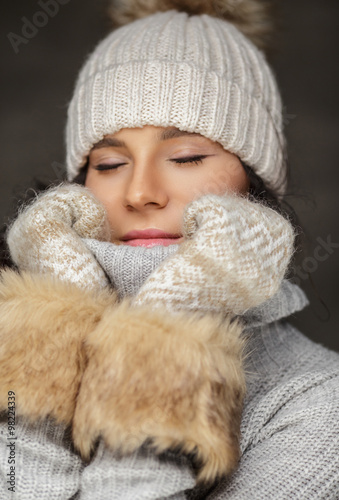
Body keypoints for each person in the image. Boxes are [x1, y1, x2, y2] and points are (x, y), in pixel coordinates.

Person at [0, 1, 338, 499]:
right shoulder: (12, 333)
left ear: (256, 183)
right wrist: (48, 341)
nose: (140, 193)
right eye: (110, 164)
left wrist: (159, 356)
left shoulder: (320, 401)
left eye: (186, 157)